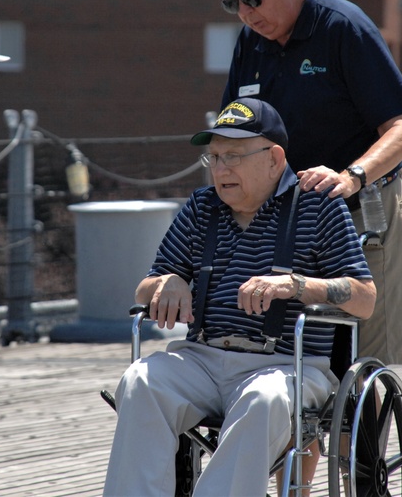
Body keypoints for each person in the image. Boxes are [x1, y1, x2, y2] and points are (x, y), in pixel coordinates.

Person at [103, 98, 375, 496]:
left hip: (290, 364)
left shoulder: (318, 205)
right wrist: (170, 282)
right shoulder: (201, 207)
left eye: (233, 156)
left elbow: (364, 298)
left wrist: (297, 285)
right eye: (213, 157)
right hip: (203, 357)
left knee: (262, 399)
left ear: (274, 158)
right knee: (140, 381)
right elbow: (145, 288)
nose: (220, 169)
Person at [207, 0, 402, 366]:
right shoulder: (251, 43)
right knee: (292, 368)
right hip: (282, 229)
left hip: (363, 221)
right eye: (232, 3)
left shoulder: (344, 28)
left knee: (361, 368)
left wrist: (350, 178)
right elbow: (231, 135)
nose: (244, 13)